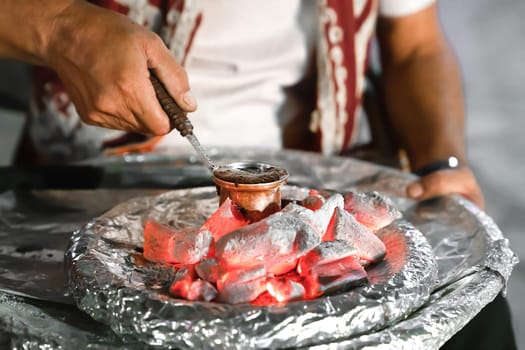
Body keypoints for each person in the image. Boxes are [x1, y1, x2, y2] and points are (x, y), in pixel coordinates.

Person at [0, 1, 515, 348]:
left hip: (325, 167)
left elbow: (415, 44)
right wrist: (59, 27)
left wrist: (441, 160)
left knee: (480, 319)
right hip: (100, 177)